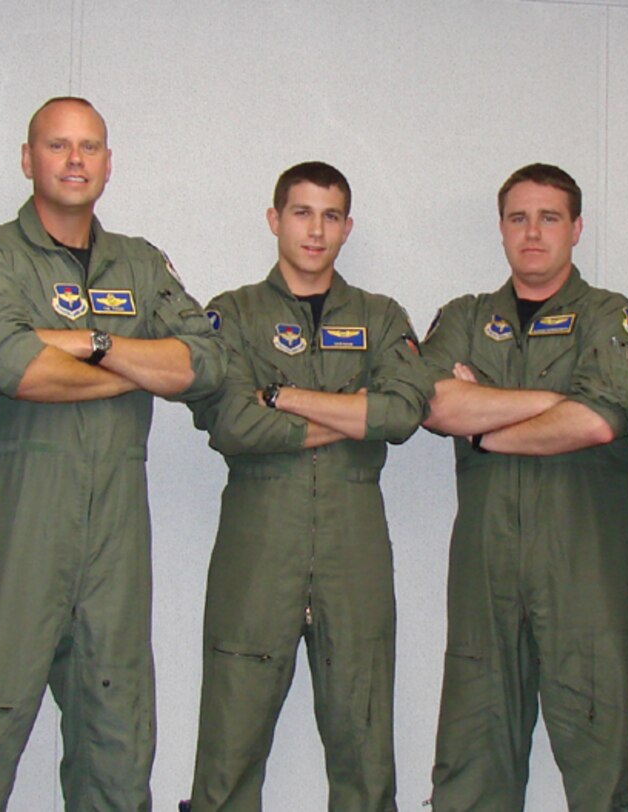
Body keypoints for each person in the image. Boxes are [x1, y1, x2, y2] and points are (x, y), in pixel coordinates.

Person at [0, 96, 222, 811]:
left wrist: (93, 342)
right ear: (28, 159)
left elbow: (204, 365)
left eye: (89, 147)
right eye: (58, 146)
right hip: (8, 533)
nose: (75, 160)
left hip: (114, 544)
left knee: (117, 747)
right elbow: (13, 366)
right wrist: (133, 367)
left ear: (109, 164)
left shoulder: (141, 265)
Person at [185, 161, 431, 810]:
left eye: (330, 216)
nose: (315, 230)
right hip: (257, 549)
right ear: (274, 219)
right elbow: (232, 421)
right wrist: (351, 413)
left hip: (355, 554)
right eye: (301, 212)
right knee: (228, 754)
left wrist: (286, 398)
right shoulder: (230, 314)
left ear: (347, 227)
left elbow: (403, 412)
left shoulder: (381, 317)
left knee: (365, 753)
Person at [420, 163, 628, 811]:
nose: (533, 232)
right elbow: (436, 405)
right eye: (518, 218)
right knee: (470, 763)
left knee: (598, 769)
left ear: (576, 228)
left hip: (586, 573)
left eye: (549, 217)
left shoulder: (611, 316)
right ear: (501, 229)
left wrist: (485, 422)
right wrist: (553, 402)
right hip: (485, 572)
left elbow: (599, 420)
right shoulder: (465, 317)